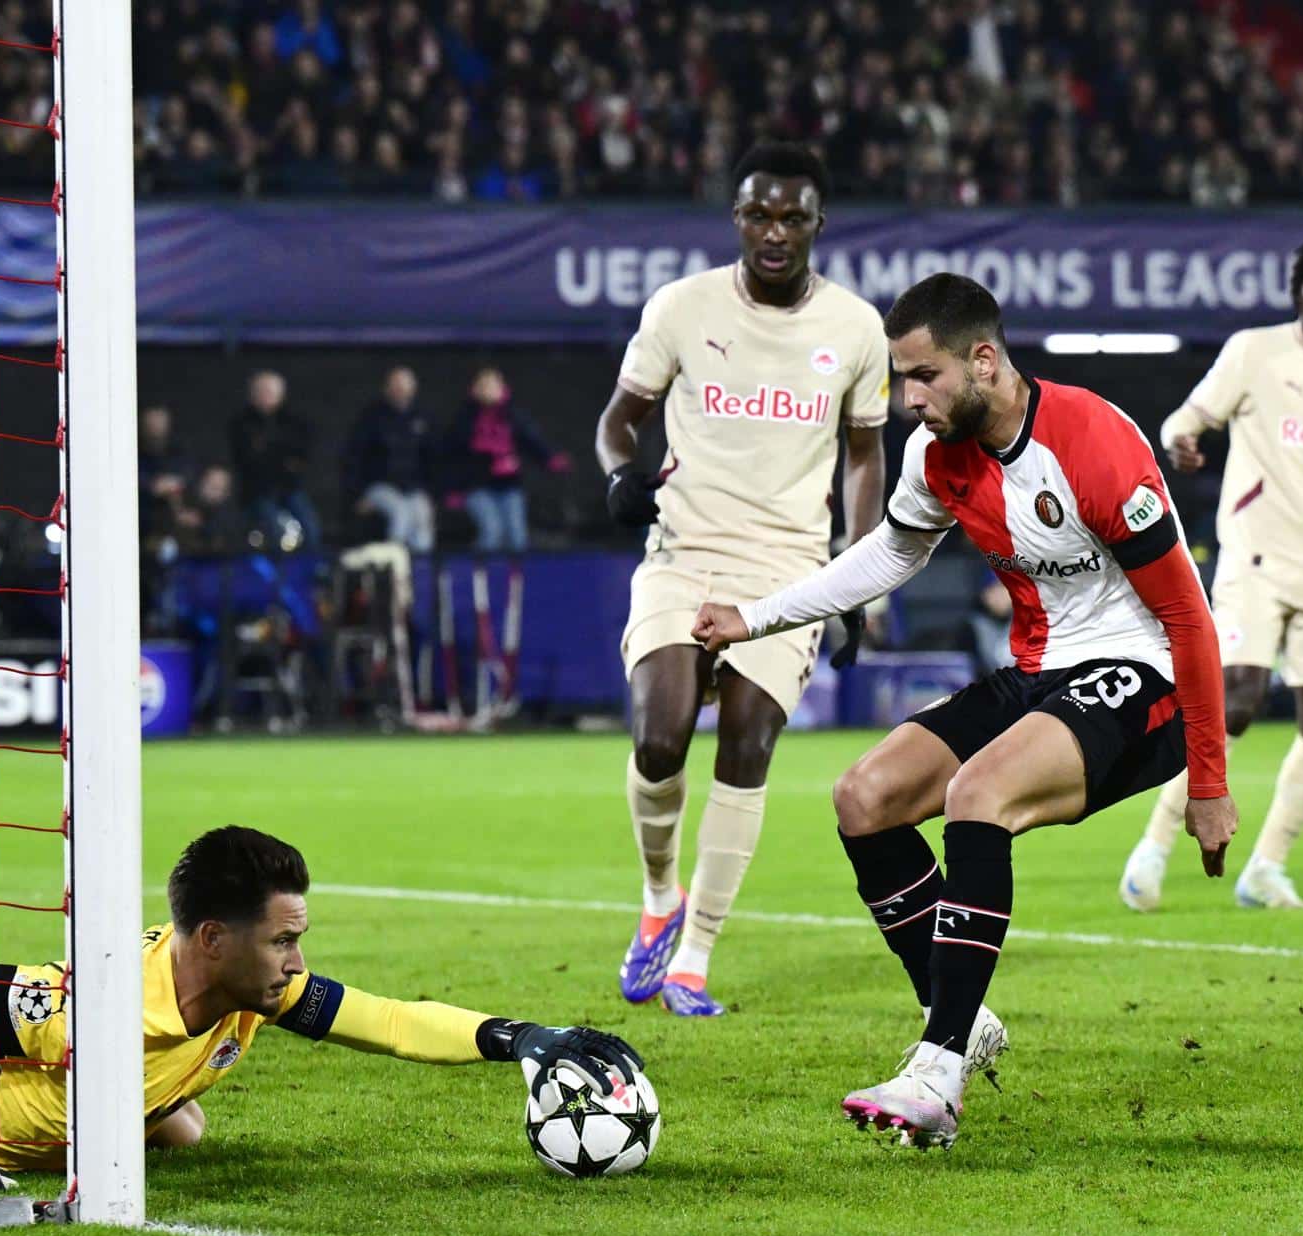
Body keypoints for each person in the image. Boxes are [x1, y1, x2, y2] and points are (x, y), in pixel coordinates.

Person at [692, 273, 1236, 1148]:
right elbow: (884, 557)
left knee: (978, 794)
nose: (910, 401)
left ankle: (940, 1069)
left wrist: (1209, 781)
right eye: (901, 383)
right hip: (1034, 671)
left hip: (1145, 676)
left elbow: (1189, 619)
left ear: (983, 361)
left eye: (924, 377)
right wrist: (755, 616)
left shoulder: (1093, 443)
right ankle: (960, 1017)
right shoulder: (937, 456)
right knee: (863, 798)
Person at [0, 825, 643, 1196]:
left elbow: (391, 1021)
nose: (298, 961)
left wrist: (524, 1038)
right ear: (213, 938)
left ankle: (148, 1111)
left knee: (182, 1127)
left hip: (51, 1109)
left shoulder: (255, 991)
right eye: (283, 941)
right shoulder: (93, 1005)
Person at [595, 141, 888, 1018]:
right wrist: (619, 477)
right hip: (684, 551)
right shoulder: (682, 307)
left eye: (791, 216)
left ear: (816, 225)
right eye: (758, 214)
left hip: (787, 566)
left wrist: (857, 579)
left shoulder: (856, 328)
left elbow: (866, 459)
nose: (774, 231)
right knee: (659, 735)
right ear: (737, 218)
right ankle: (659, 901)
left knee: (750, 743)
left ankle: (694, 958)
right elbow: (621, 420)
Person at [1119, 240, 1303, 913]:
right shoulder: (1255, 351)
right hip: (1256, 556)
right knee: (1238, 704)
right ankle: (1155, 845)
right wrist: (1180, 439)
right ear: (1297, 292)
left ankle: (1266, 869)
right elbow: (1186, 419)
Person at [444, 367, 568, 553]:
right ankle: (477, 576)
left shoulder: (513, 415)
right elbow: (452, 455)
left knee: (517, 537)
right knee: (492, 532)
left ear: (502, 388)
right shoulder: (465, 418)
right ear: (474, 390)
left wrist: (550, 459)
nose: (488, 390)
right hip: (476, 487)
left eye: (492, 385)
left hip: (509, 485)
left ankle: (517, 580)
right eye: (483, 385)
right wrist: (452, 490)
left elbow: (531, 440)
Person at [227, 370, 321, 553]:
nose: (266, 396)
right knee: (274, 530)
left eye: (271, 391)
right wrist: (279, 457)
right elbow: (247, 460)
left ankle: (309, 575)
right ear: (252, 394)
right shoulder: (241, 424)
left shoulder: (294, 421)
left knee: (311, 528)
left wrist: (271, 453)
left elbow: (302, 455)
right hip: (256, 491)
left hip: (289, 487)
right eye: (262, 391)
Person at [345, 365, 436, 553]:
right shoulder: (372, 417)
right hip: (379, 486)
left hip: (413, 488)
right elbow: (355, 458)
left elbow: (432, 460)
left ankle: (421, 573)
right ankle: (394, 571)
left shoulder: (422, 418)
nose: (400, 390)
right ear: (387, 388)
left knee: (422, 517)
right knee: (400, 513)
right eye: (396, 385)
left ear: (413, 388)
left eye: (404, 385)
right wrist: (358, 495)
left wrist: (432, 494)